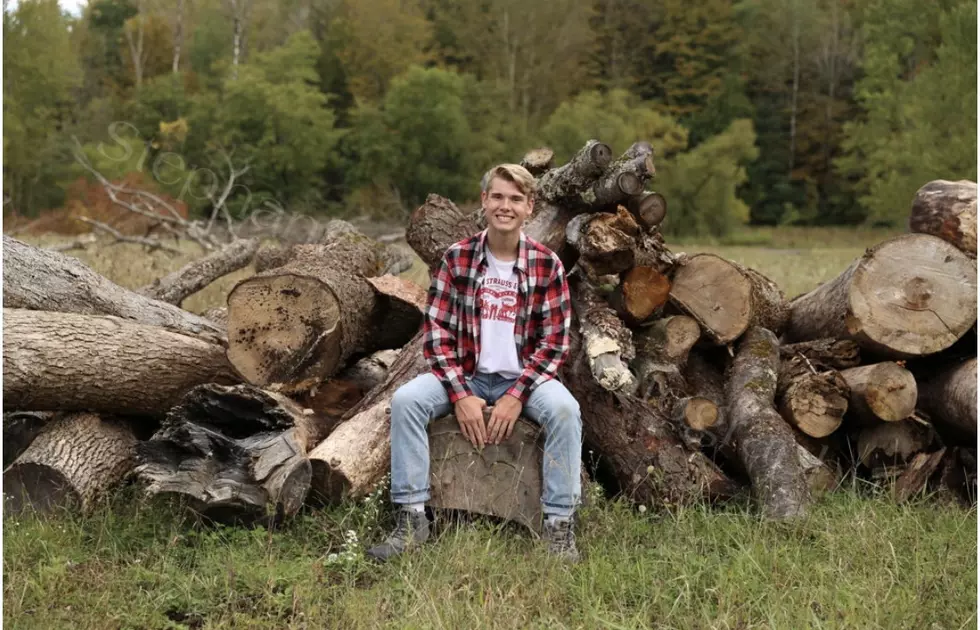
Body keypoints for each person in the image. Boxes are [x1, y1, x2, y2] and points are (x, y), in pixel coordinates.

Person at [366, 163, 582, 562]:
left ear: (529, 207)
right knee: (407, 402)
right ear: (484, 201)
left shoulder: (546, 264)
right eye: (497, 196)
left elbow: (554, 344)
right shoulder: (458, 259)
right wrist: (462, 394)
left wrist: (516, 396)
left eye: (516, 199)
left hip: (523, 379)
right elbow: (437, 334)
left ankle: (559, 527)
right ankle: (412, 520)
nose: (505, 206)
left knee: (566, 411)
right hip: (466, 374)